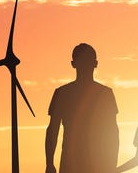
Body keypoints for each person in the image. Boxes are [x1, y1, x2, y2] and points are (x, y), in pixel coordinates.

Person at [46, 43, 119, 173]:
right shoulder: (105, 93)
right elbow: (113, 132)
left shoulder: (62, 93)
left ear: (73, 64)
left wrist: (50, 163)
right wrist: (112, 163)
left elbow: (53, 131)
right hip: (90, 163)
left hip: (79, 163)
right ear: (96, 63)